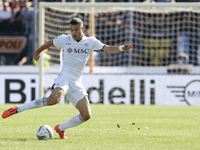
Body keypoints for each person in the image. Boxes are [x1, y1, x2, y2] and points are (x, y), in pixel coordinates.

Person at [2, 18, 133, 139]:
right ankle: (18, 109)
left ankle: (60, 128)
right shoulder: (65, 39)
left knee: (86, 115)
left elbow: (109, 48)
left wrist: (122, 48)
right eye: (71, 29)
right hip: (64, 76)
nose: (73, 32)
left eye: (76, 30)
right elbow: (50, 43)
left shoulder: (91, 42)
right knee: (53, 99)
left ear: (83, 28)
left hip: (76, 82)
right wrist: (38, 51)